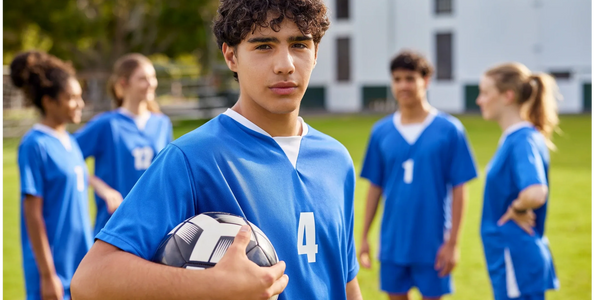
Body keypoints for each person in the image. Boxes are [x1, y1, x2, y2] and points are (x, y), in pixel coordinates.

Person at [71, 1, 362, 299]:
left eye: (299, 44)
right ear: (231, 56)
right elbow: (91, 280)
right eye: (264, 46)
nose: (285, 64)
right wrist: (209, 286)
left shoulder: (336, 160)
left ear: (315, 54)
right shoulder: (192, 157)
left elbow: (345, 281)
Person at [359, 50, 478, 300]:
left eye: (410, 78)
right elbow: (375, 188)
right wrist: (364, 237)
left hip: (432, 242)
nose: (403, 85)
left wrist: (453, 243)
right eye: (398, 79)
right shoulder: (381, 131)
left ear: (426, 80)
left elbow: (459, 189)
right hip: (393, 242)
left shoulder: (449, 130)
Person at [11, 51, 93, 300]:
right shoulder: (34, 145)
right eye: (71, 98)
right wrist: (48, 276)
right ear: (49, 101)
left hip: (80, 265)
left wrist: (101, 188)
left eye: (80, 97)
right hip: (55, 272)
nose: (80, 104)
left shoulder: (69, 141)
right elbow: (33, 215)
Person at [476, 62, 560, 300]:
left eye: (484, 93)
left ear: (507, 96)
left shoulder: (522, 139)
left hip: (516, 257)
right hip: (512, 257)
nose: (479, 100)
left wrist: (516, 208)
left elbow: (535, 192)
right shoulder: (515, 138)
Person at [74, 53, 173, 235]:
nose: (151, 83)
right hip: (115, 223)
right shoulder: (106, 124)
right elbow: (67, 157)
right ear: (123, 83)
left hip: (154, 223)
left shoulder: (162, 123)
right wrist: (101, 188)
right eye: (143, 78)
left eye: (152, 77)